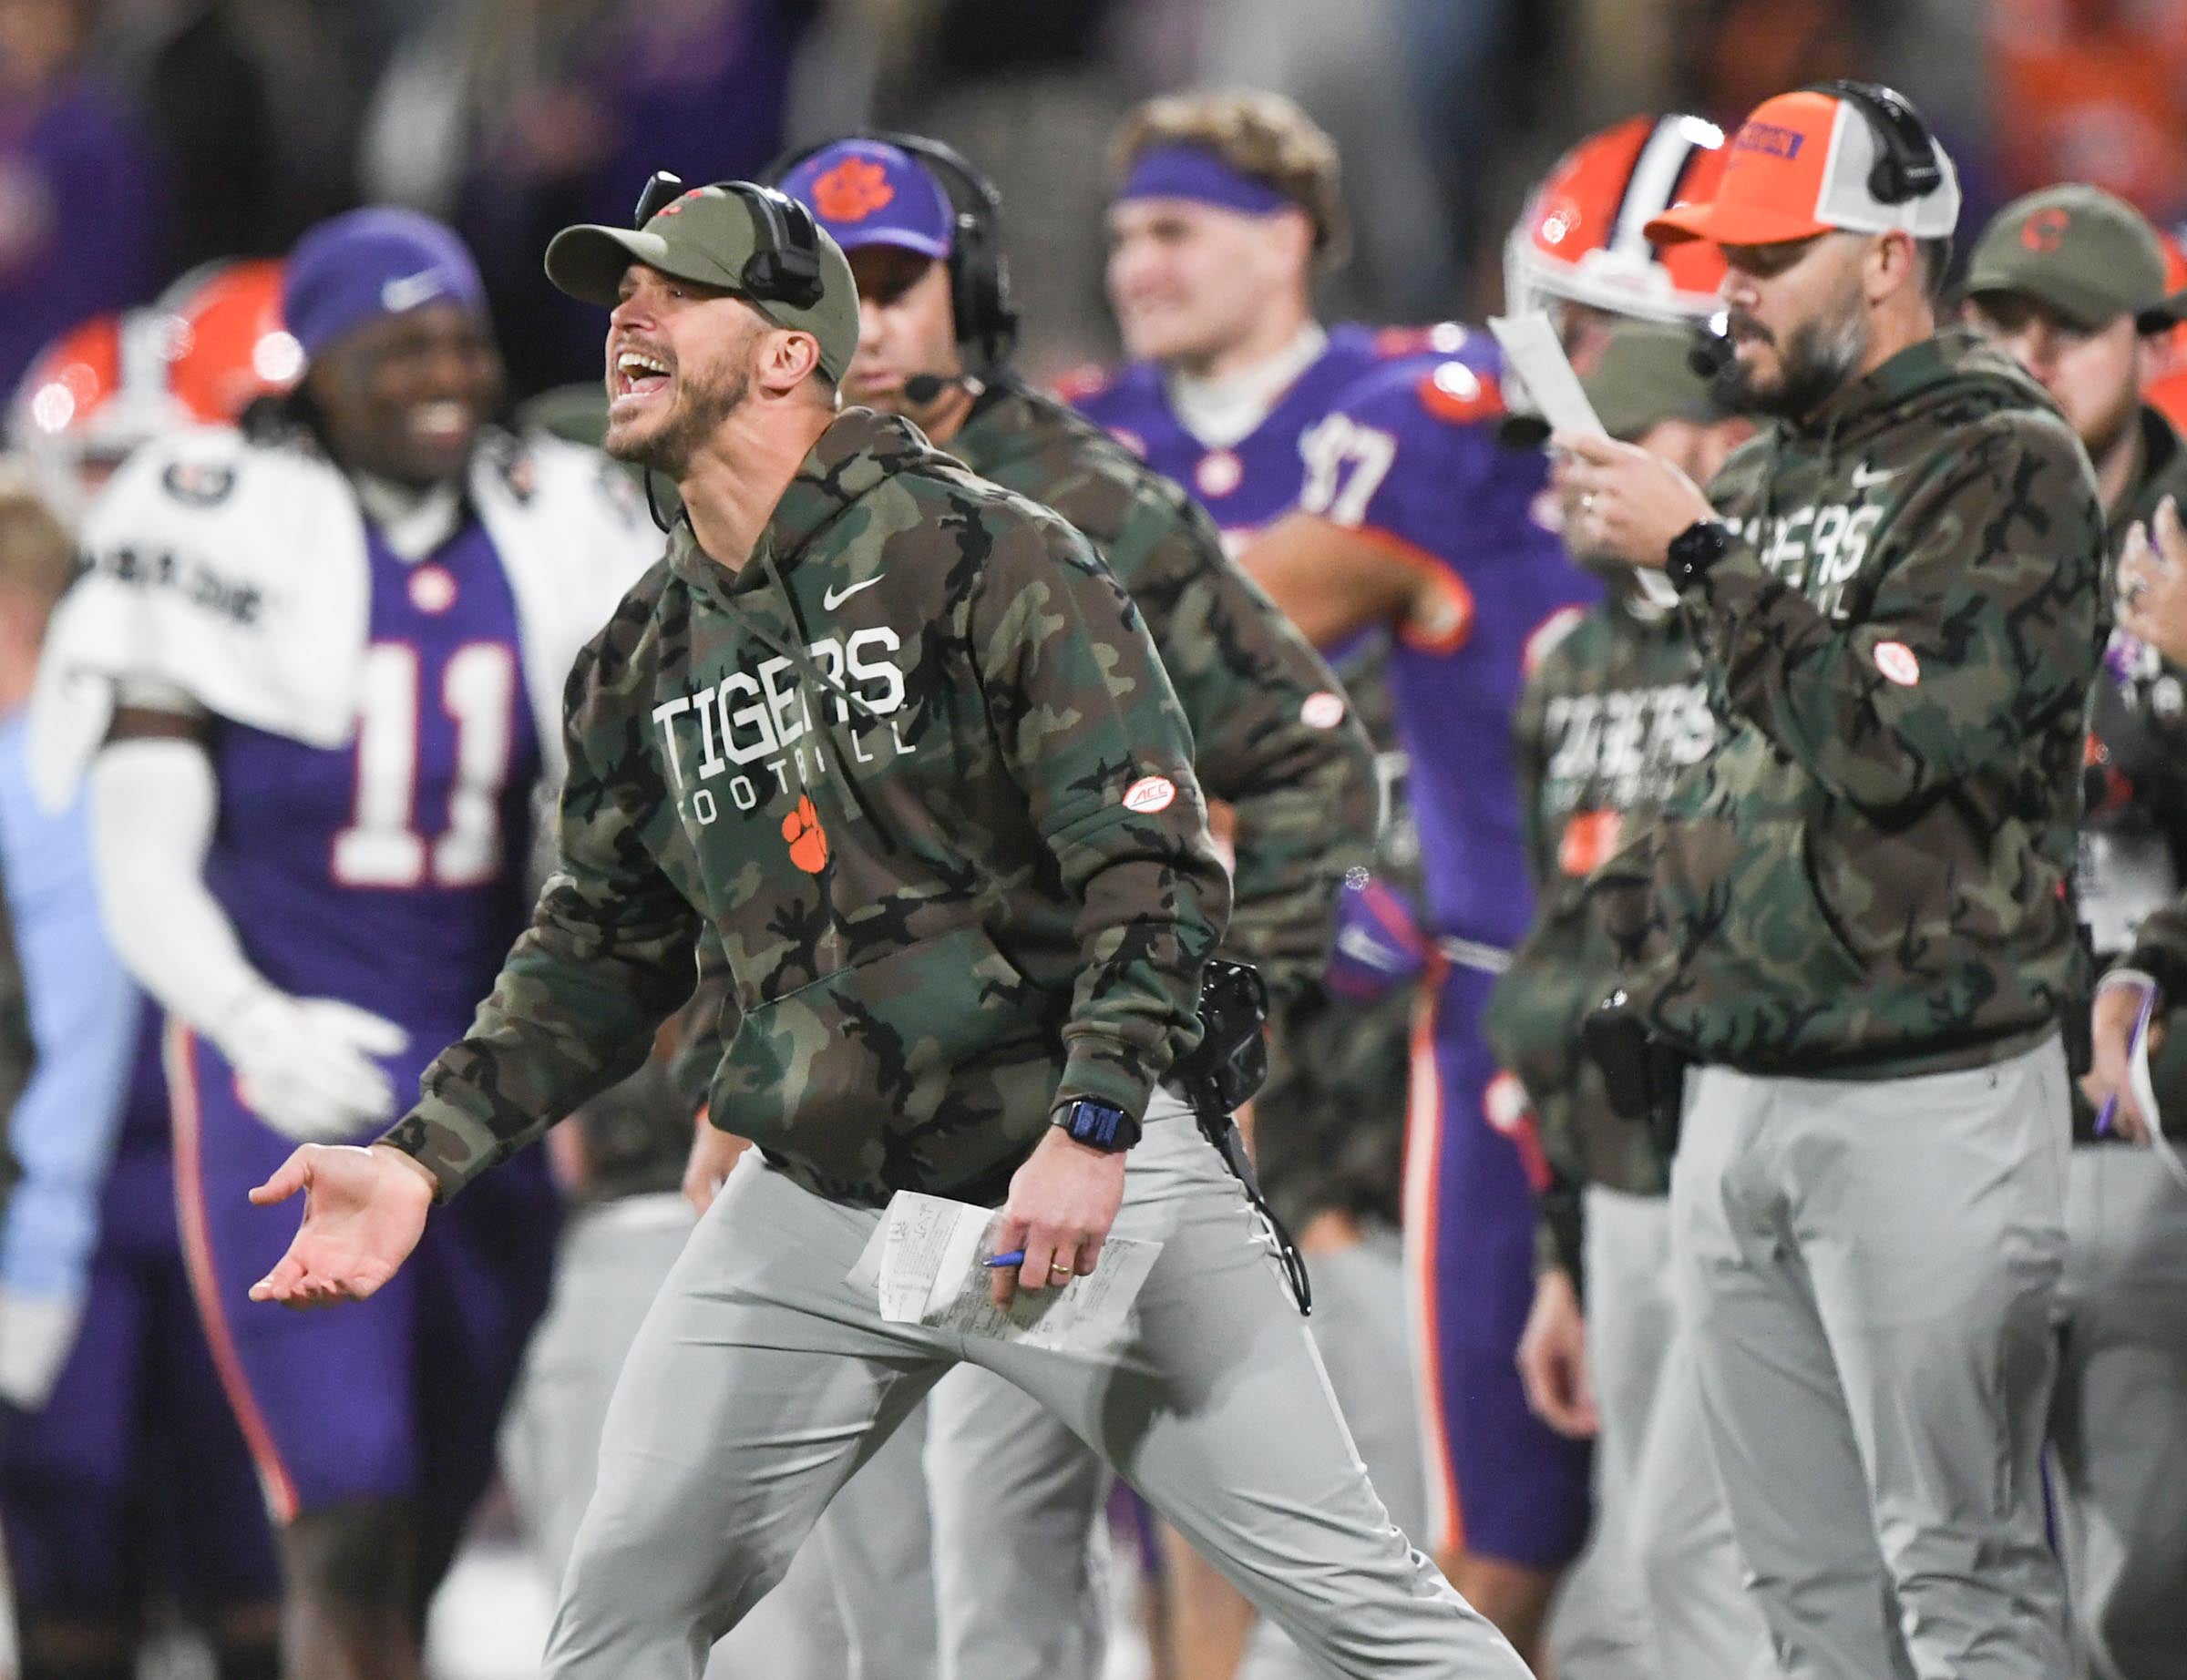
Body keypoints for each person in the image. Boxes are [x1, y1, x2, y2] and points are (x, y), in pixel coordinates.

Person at [242, 177, 1533, 1680]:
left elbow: (1152, 858)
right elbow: (599, 943)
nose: (629, 317)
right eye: (621, 294)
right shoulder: (645, 651)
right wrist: (421, 1155)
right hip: (825, 1203)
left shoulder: (984, 548)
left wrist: (1104, 1118)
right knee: (618, 1612)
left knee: (1367, 1607)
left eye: (679, 290)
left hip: (1068, 1170)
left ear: (789, 353)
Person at [764, 131, 1380, 1680]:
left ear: (968, 289)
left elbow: (1311, 765)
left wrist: (1218, 1041)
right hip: (891, 1129)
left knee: (1302, 1552)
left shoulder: (1082, 493)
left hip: (1086, 1119)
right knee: (955, 1572)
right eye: (823, 292)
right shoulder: (762, 514)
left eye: (893, 284)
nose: (861, 321)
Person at [26, 207, 654, 1680]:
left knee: (428, 1507)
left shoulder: (550, 512)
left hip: (489, 1085)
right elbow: (140, 854)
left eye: (461, 339)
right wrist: (248, 1021)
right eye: (401, 344)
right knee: (343, 1509)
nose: (443, 371)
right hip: (284, 1081)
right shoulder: (210, 519)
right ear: (317, 367)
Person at [1558, 82, 2106, 1680]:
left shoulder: (2007, 457)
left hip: (1927, 1092)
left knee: (1967, 1571)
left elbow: (1893, 739)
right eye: (1720, 249)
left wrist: (1697, 555)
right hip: (1741, 1081)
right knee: (1801, 1603)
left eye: (1770, 249)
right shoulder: (1785, 469)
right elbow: (1763, 760)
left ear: (1883, 257)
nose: (1731, 284)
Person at [0, 302, 288, 1680]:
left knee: (270, 1566)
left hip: (246, 1153)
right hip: (77, 1182)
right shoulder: (33, 704)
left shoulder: (286, 669)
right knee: (74, 1570)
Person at [1489, 323, 1766, 1680]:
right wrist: (1562, 1254)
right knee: (1658, 1568)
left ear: (1716, 448)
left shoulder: (1758, 629)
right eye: (1562, 459)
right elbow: (1557, 963)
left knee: (1720, 1563)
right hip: (1619, 1177)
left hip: (1745, 1148)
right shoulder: (1565, 661)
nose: (1572, 484)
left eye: (1613, 448)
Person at [1964, 184, 2187, 1680]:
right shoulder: (1924, 517)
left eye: (2076, 326)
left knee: (2148, 1571)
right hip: (1952, 1100)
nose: (2038, 351)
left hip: (2146, 1114)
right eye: (2008, 320)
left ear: (2149, 341)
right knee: (1950, 1559)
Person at [1064, 91, 1406, 551]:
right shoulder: (1076, 434)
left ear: (1283, 244)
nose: (1132, 273)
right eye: (1122, 242)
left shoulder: (1394, 409)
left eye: (1172, 233)